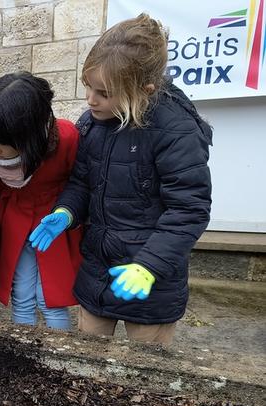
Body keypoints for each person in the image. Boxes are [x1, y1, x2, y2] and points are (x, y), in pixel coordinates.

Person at [29, 13, 212, 344]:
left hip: (151, 280)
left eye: (104, 92)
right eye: (88, 86)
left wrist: (149, 266)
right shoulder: (93, 123)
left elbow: (189, 209)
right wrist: (65, 212)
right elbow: (82, 183)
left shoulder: (177, 131)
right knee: (88, 370)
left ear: (144, 90)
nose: (90, 100)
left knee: (149, 375)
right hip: (98, 271)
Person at [0, 72, 82, 330]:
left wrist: (67, 215)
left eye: (2, 142)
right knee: (21, 296)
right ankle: (25, 357)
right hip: (15, 220)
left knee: (51, 299)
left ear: (29, 137)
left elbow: (78, 182)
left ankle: (61, 360)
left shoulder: (66, 138)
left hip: (53, 222)